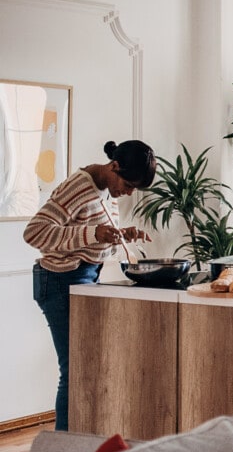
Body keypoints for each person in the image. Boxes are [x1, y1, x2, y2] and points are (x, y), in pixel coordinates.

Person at [24, 139, 156, 430]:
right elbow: (34, 233)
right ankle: (65, 450)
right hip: (59, 279)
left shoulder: (107, 189)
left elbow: (90, 234)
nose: (129, 193)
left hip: (84, 278)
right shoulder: (80, 187)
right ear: (114, 166)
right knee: (73, 371)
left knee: (87, 367)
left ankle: (81, 443)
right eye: (129, 184)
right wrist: (94, 234)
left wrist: (122, 234)